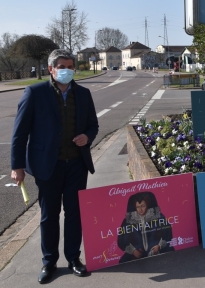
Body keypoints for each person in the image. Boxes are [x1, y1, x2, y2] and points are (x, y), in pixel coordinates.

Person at [11, 49, 99, 283]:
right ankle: (49, 262)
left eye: (70, 66)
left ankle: (73, 259)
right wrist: (17, 166)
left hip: (76, 165)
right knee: (49, 215)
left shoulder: (83, 93)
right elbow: (19, 134)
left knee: (74, 213)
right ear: (50, 69)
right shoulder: (34, 93)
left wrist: (87, 137)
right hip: (47, 166)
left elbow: (93, 125)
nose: (67, 70)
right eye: (62, 66)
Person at [117, 192, 174, 264]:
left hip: (158, 252)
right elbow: (121, 240)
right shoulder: (128, 221)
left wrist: (159, 246)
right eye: (138, 207)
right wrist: (133, 251)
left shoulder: (159, 217)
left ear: (148, 205)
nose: (140, 209)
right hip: (137, 257)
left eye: (143, 206)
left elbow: (168, 233)